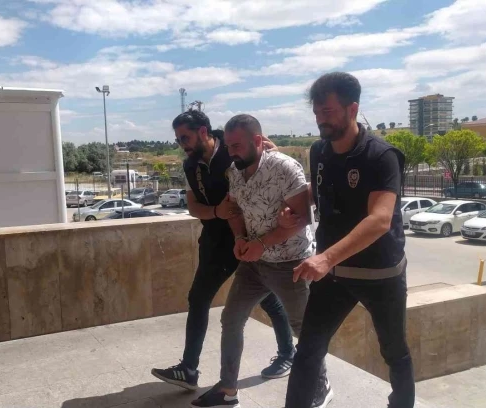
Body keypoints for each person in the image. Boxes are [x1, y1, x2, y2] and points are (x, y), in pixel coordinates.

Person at [283, 72, 414, 408]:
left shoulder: (381, 156)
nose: (320, 119)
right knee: (308, 350)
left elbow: (380, 219)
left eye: (327, 111)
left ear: (352, 108)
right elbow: (322, 191)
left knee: (394, 351)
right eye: (316, 112)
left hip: (379, 273)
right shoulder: (319, 151)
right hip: (334, 274)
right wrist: (296, 205)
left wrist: (326, 257)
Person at [190, 114, 331, 408]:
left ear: (257, 140)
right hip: (253, 264)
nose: (231, 152)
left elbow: (302, 217)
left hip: (290, 263)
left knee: (304, 329)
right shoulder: (234, 172)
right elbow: (234, 211)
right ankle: (228, 389)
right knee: (231, 319)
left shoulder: (284, 168)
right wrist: (240, 238)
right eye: (228, 146)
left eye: (237, 146)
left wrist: (261, 244)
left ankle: (321, 386)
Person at [151, 110, 297, 391]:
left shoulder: (233, 149)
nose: (182, 144)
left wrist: (274, 152)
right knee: (199, 297)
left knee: (268, 299)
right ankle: (189, 369)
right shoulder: (190, 166)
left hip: (250, 238)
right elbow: (194, 207)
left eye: (185, 138)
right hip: (216, 242)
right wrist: (216, 211)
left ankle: (288, 354)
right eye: (178, 139)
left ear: (203, 132)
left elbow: (271, 163)